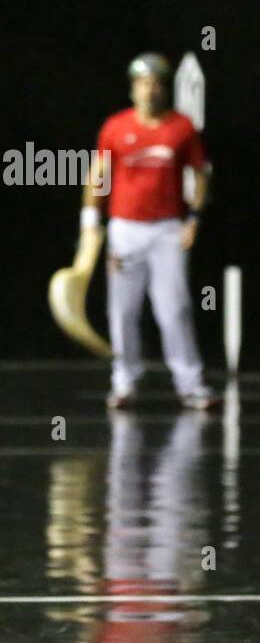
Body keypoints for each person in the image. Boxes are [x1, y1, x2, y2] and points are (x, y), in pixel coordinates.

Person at [83, 53, 218, 411]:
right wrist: (89, 218)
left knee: (174, 309)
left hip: (168, 232)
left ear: (165, 88)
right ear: (133, 89)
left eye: (157, 83)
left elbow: (201, 174)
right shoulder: (115, 127)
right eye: (143, 83)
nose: (150, 89)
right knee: (123, 311)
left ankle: (190, 384)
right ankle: (124, 382)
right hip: (125, 231)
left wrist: (193, 219)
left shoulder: (182, 128)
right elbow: (98, 174)